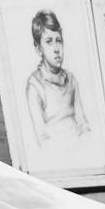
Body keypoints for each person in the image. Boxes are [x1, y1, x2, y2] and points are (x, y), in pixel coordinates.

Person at [24, 9, 91, 148]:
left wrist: (88, 145)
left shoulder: (71, 79)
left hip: (79, 147)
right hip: (55, 150)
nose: (56, 48)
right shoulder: (35, 85)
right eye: (49, 41)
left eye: (59, 41)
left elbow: (82, 123)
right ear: (39, 49)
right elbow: (42, 136)